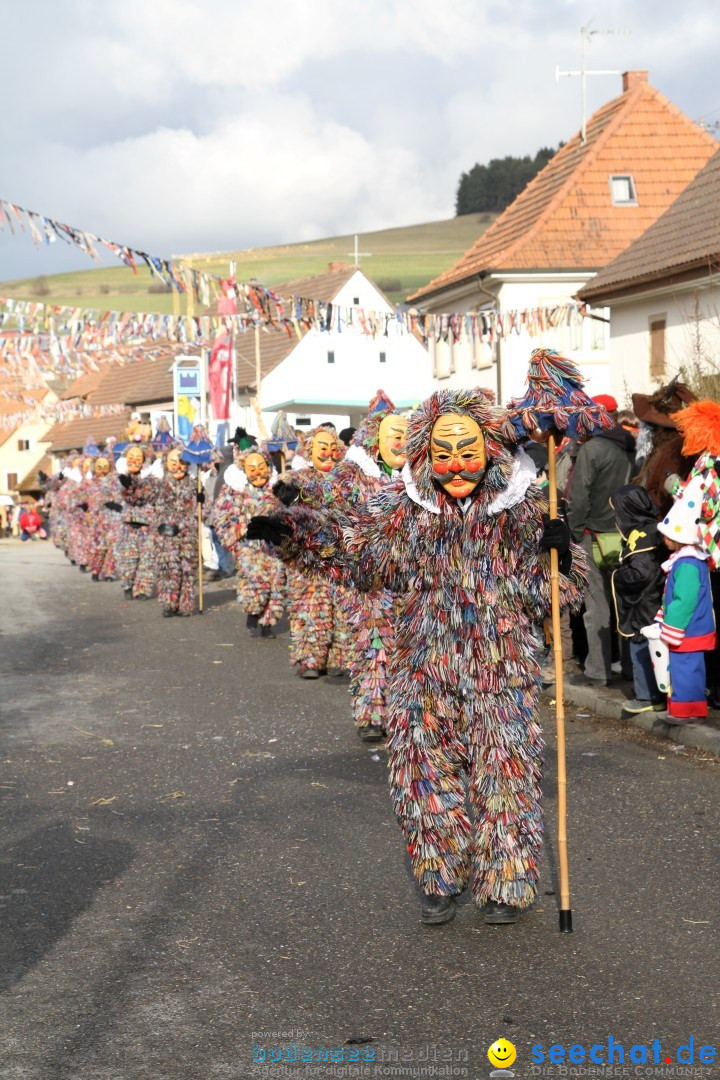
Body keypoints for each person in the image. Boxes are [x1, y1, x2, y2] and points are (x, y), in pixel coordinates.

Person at [250, 389, 586, 925]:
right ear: (424, 453)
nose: (456, 466)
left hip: (500, 673)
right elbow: (357, 557)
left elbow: (558, 596)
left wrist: (560, 555)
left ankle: (505, 883)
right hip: (420, 668)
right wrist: (295, 535)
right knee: (422, 777)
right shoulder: (400, 506)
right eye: (443, 451)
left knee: (506, 778)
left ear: (491, 448)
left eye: (467, 450)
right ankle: (440, 877)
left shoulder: (526, 504)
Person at [567, 393, 635, 685]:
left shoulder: (592, 449)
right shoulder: (631, 445)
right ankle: (632, 669)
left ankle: (598, 670)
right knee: (627, 604)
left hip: (593, 534)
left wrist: (574, 531)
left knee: (596, 606)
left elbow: (578, 497)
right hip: (627, 535)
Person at [655, 489, 717, 723]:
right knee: (687, 668)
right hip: (692, 627)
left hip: (689, 628)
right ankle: (686, 708)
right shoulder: (689, 560)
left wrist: (672, 625)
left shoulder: (688, 564)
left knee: (685, 669)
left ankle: (687, 711)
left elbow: (684, 600)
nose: (664, 540)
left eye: (668, 536)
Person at [211, 446, 286, 635]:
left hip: (274, 546)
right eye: (252, 469)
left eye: (262, 467)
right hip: (249, 546)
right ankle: (253, 610)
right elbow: (221, 516)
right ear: (244, 471)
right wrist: (235, 538)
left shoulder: (278, 488)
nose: (258, 473)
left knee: (276, 583)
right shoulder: (235, 491)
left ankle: (267, 622)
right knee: (256, 580)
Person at [609, 485, 667, 715]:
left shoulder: (642, 540)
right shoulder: (651, 530)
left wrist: (618, 573)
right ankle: (656, 693)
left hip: (645, 605)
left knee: (641, 647)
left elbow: (640, 574)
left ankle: (647, 696)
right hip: (653, 601)